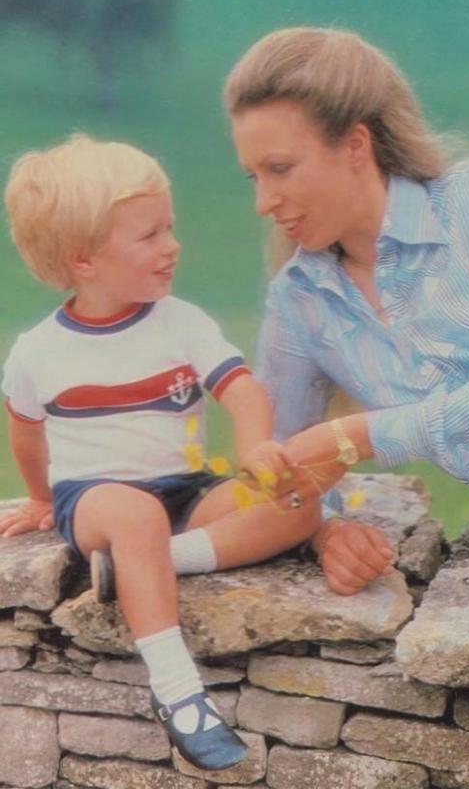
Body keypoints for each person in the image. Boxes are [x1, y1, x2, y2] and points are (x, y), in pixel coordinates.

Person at [0, 133, 331, 771]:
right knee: (133, 518)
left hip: (186, 488)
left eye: (170, 227)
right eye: (150, 235)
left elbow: (241, 390)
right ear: (85, 260)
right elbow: (24, 431)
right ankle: (180, 694)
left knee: (299, 502)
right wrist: (43, 499)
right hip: (97, 499)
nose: (173, 245)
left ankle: (147, 562)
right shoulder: (40, 353)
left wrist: (257, 444)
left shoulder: (180, 321)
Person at [223, 26, 469, 594]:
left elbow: (344, 442)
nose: (263, 202)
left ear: (356, 146)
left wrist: (363, 433)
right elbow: (281, 468)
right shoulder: (298, 300)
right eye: (254, 176)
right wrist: (325, 532)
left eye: (281, 169)